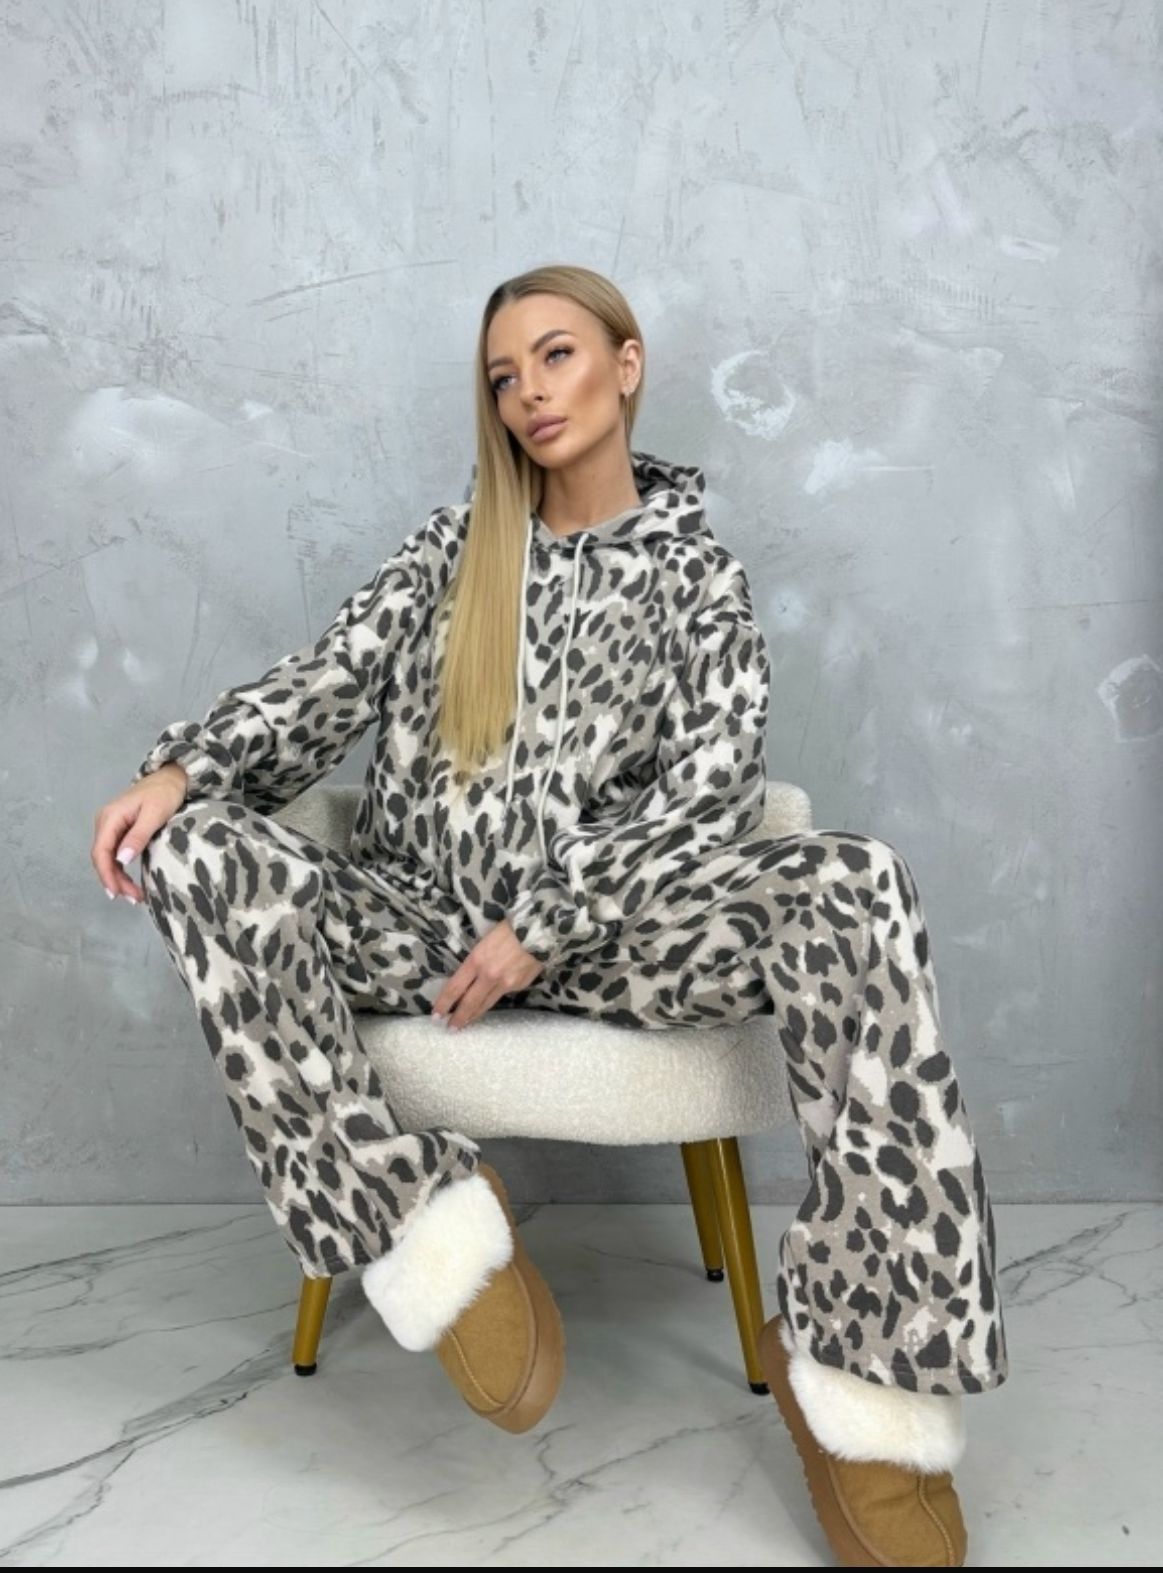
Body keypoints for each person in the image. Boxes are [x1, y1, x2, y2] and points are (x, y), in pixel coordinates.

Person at [91, 262, 1007, 1564]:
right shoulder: (449, 552)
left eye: (558, 354)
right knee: (187, 843)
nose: (529, 391)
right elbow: (322, 687)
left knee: (854, 880)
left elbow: (712, 794)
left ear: (627, 365)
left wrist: (548, 921)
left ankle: (868, 1368)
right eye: (504, 374)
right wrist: (182, 772)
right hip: (414, 925)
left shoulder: (698, 581)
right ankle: (414, 1216)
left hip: (614, 941)